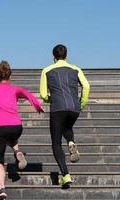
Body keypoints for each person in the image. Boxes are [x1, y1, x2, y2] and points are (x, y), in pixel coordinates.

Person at [0, 60, 44, 200]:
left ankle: (1, 189)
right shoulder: (15, 89)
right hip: (17, 127)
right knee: (11, 136)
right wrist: (37, 107)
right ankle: (17, 151)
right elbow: (28, 94)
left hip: (0, 128)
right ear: (10, 76)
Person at [39, 44, 90, 188]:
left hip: (58, 108)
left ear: (53, 56)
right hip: (74, 108)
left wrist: (52, 98)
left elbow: (43, 95)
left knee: (56, 143)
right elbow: (86, 86)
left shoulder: (46, 70)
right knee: (67, 126)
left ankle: (66, 175)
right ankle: (71, 142)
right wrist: (81, 103)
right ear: (66, 56)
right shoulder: (76, 69)